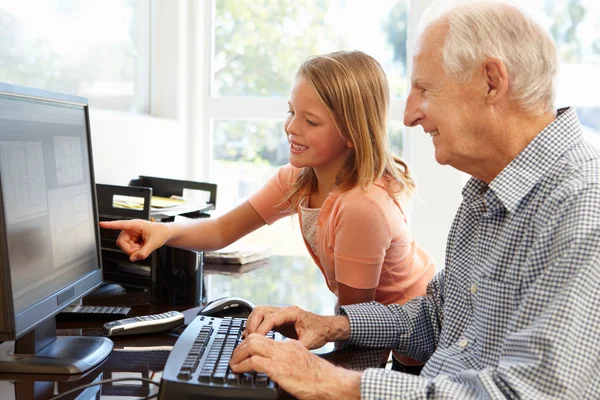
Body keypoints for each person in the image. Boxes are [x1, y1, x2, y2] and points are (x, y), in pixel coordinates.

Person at [228, 2, 600, 399]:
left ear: (492, 82)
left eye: (424, 89)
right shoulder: (485, 195)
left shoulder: (581, 207)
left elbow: (533, 394)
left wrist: (334, 384)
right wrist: (333, 324)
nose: (408, 116)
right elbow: (437, 319)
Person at [99, 50, 435, 371]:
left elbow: (351, 325)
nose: (291, 127)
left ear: (351, 132)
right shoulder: (300, 179)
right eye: (291, 112)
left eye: (311, 121)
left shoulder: (361, 206)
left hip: (414, 347)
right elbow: (220, 231)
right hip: (372, 331)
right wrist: (165, 231)